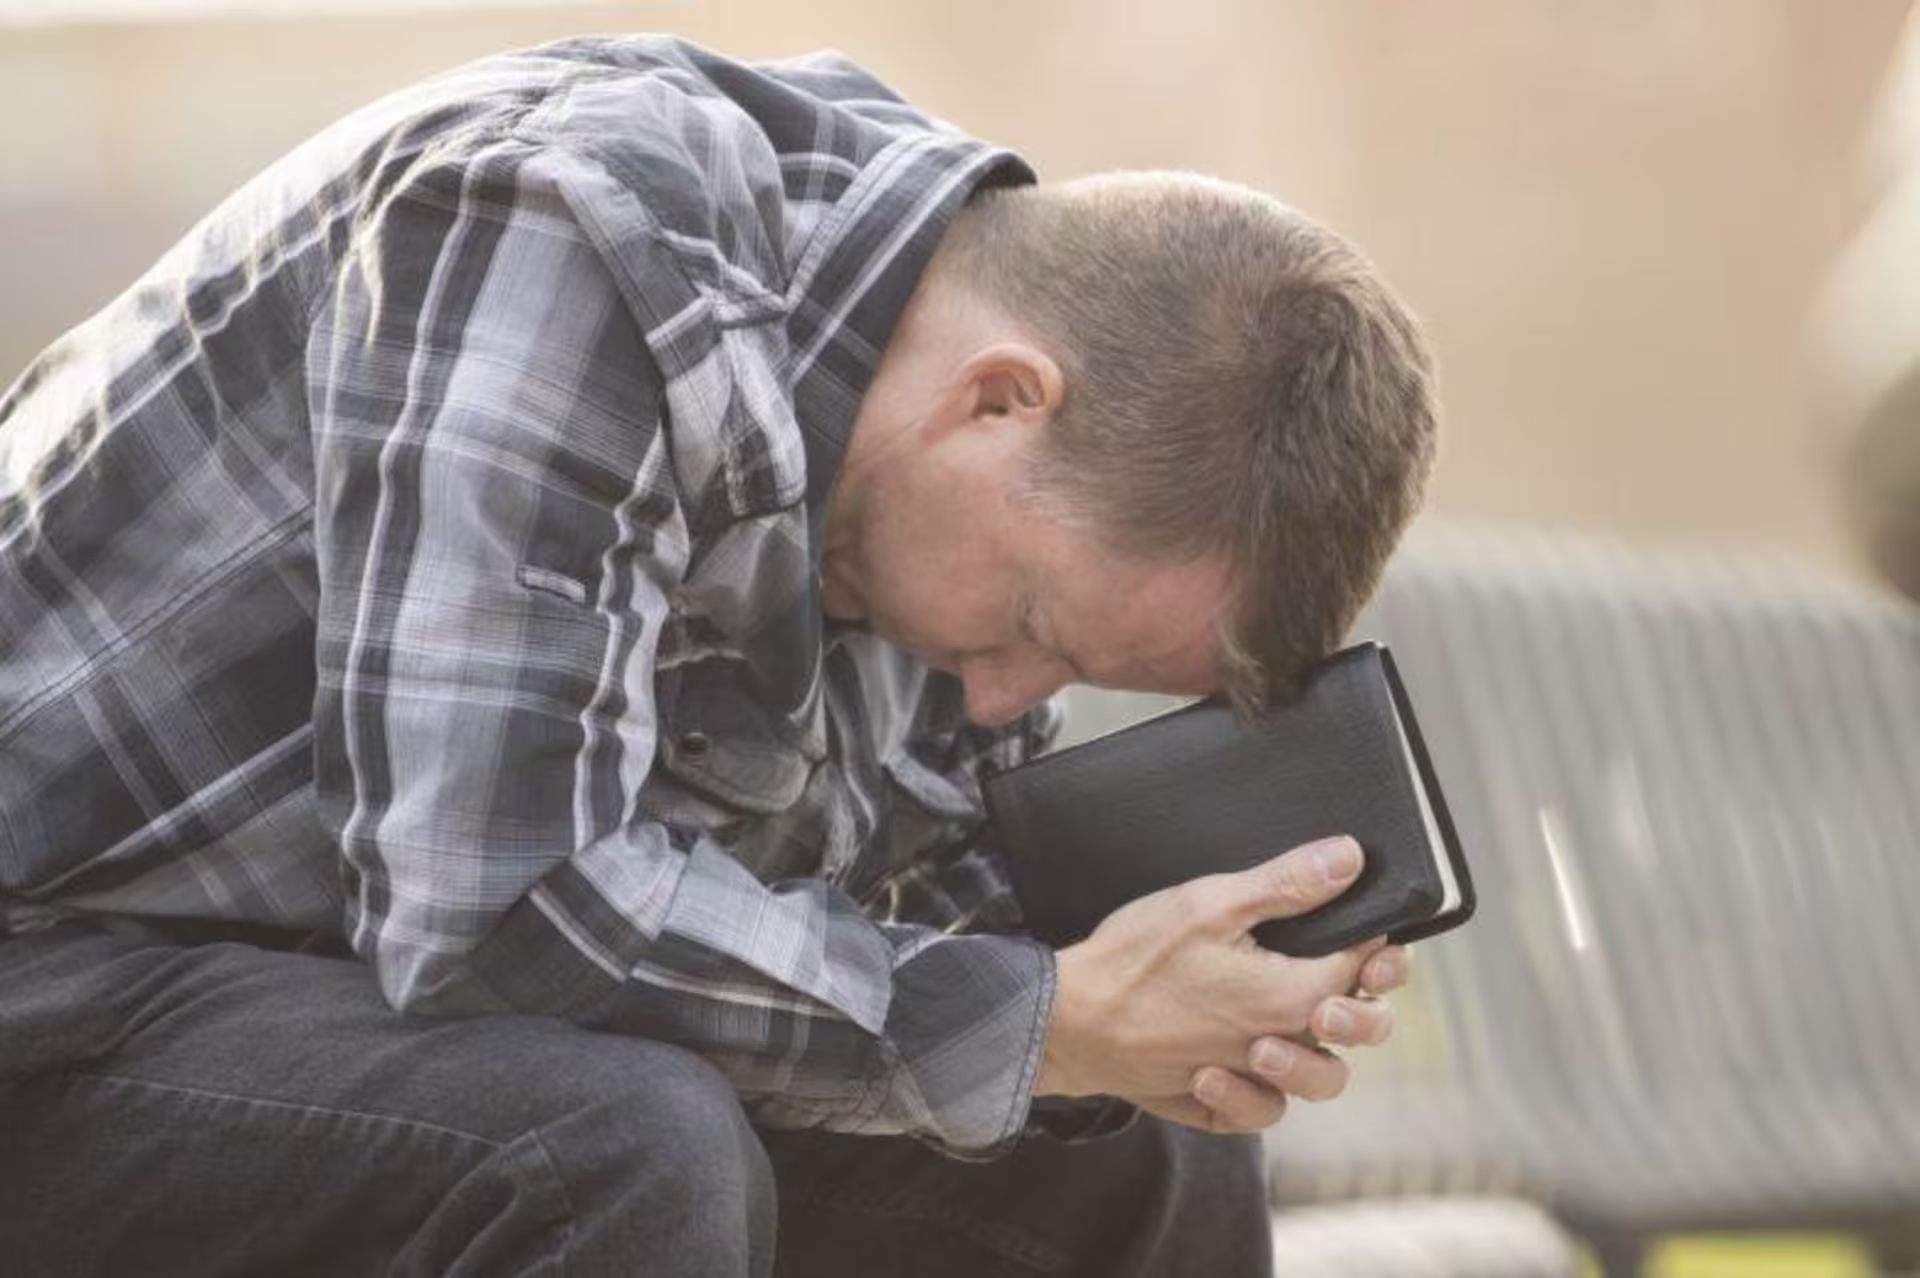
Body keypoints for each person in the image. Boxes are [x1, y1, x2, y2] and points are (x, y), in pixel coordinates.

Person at [0, 35, 1437, 1278]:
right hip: (56, 997)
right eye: (1034, 630)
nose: (1003, 699)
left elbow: (931, 927)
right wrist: (1052, 1022)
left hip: (347, 1033)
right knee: (613, 1143)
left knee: (1141, 1158)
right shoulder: (572, 226)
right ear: (998, 400)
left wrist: (1172, 1010)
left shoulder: (916, 447)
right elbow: (497, 905)